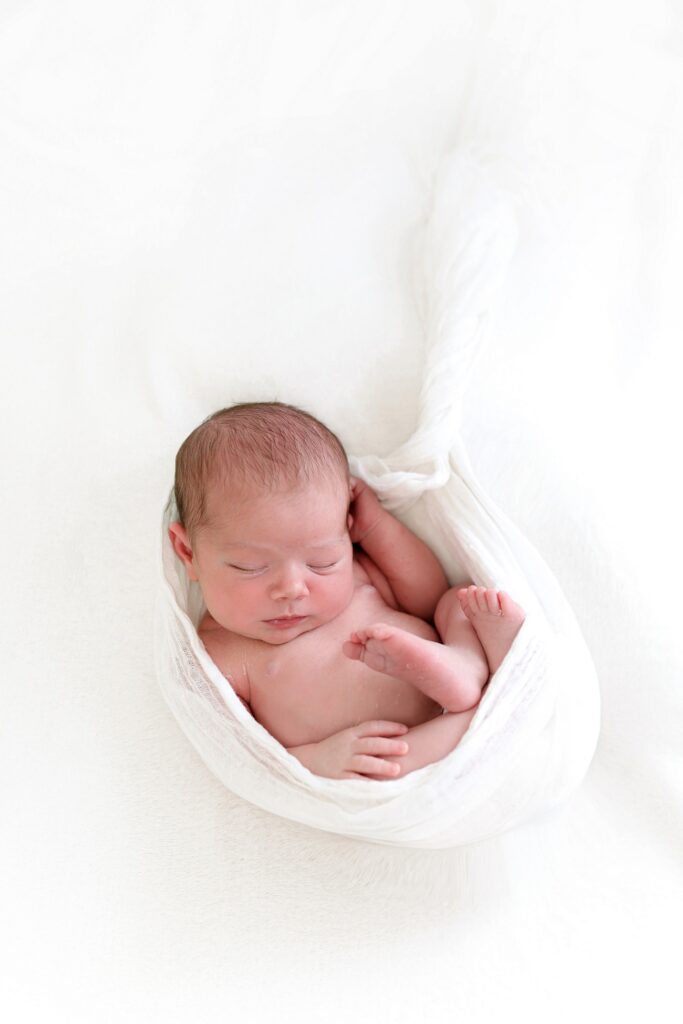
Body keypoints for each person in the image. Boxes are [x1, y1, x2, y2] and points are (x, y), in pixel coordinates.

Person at [168, 402, 525, 780]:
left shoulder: (356, 572)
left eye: (322, 561)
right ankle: (482, 693)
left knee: (456, 603)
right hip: (401, 751)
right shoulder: (217, 655)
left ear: (346, 532)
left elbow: (426, 595)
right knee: (386, 768)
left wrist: (377, 529)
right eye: (251, 567)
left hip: (452, 680)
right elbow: (243, 758)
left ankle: (465, 665)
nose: (292, 589)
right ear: (188, 552)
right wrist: (315, 759)